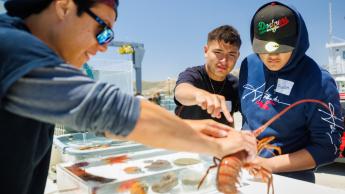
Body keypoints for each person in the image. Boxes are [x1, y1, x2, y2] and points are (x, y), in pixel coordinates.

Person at [0, 1, 257, 194]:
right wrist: (220, 146)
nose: (104, 44)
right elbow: (111, 110)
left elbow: (109, 121)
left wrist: (192, 128)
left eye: (108, 36)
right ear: (65, 6)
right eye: (102, 29)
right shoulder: (11, 48)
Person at [238, 1, 344, 183]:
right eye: (263, 48)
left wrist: (268, 165)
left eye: (282, 47)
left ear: (298, 41)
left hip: (290, 179)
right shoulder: (249, 65)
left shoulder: (319, 81)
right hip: (242, 172)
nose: (271, 56)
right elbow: (247, 118)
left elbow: (327, 147)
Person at [174, 25, 241, 126]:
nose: (224, 61)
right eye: (218, 52)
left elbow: (230, 118)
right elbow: (181, 91)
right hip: (185, 139)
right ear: (206, 51)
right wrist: (200, 95)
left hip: (219, 141)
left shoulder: (235, 85)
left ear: (237, 56)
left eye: (231, 54)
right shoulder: (193, 74)